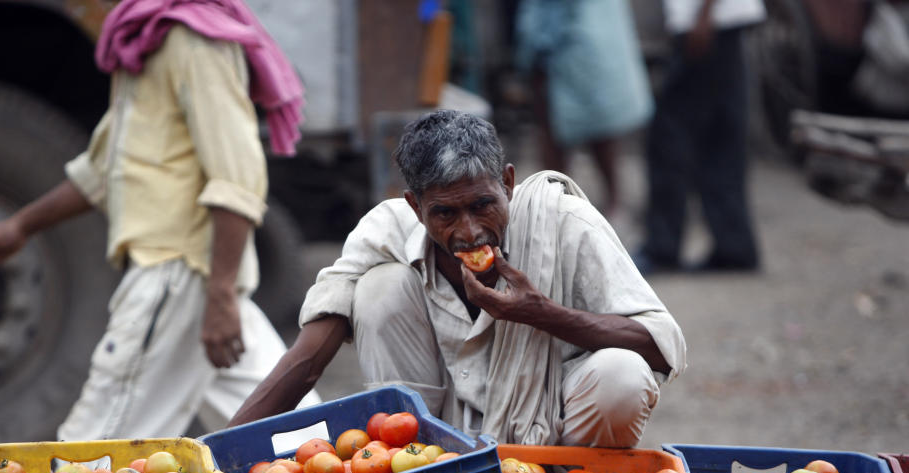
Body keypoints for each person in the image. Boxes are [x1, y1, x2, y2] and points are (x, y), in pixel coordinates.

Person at [0, 0, 320, 440]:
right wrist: (19, 227)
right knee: (292, 440)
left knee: (92, 450)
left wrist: (220, 293)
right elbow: (105, 168)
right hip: (191, 283)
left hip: (176, 275)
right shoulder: (143, 40)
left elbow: (237, 177)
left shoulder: (196, 41)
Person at [230, 110, 686, 448]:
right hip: (436, 445)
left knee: (622, 374)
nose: (468, 231)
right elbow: (307, 359)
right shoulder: (387, 229)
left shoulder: (563, 220)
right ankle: (416, 467)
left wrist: (543, 314)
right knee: (379, 287)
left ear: (508, 183)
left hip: (554, 440)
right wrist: (209, 460)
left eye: (483, 205)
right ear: (415, 207)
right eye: (445, 213)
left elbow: (660, 345)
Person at [636, 0, 765, 274]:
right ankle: (734, 246)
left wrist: (704, 15)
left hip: (705, 21)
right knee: (720, 136)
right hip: (719, 20)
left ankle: (663, 246)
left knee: (669, 136)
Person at [515, 0, 653, 219]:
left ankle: (559, 209)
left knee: (565, 133)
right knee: (592, 131)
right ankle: (565, 207)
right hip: (584, 39)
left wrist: (536, 45)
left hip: (570, 42)